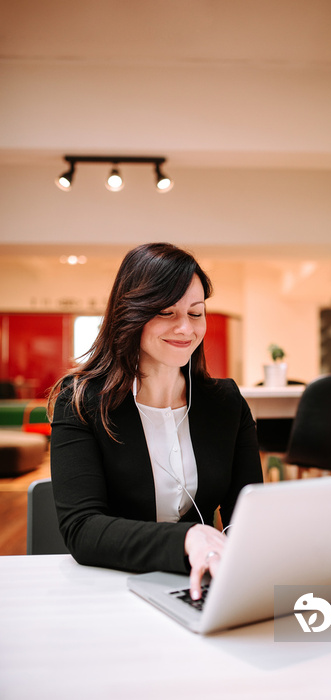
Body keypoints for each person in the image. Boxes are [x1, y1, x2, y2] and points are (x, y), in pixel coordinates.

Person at [48, 243, 263, 600]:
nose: (185, 328)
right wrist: (188, 538)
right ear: (130, 312)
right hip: (110, 587)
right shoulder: (82, 400)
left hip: (202, 584)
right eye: (166, 311)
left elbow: (248, 511)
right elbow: (82, 529)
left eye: (196, 313)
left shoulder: (225, 402)